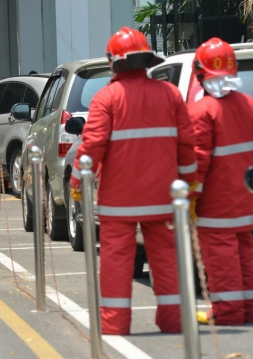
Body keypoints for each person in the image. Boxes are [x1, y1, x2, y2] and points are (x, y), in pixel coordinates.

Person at [70, 27, 198, 335]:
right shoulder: (169, 95)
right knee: (167, 259)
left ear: (113, 62)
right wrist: (191, 186)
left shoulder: (106, 99)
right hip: (163, 197)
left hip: (119, 200)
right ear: (146, 59)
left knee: (116, 262)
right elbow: (187, 145)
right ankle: (173, 320)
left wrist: (77, 183)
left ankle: (115, 325)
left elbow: (92, 148)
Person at [187, 38, 253, 325]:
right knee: (244, 252)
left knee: (221, 257)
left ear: (199, 71)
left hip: (215, 202)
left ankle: (228, 312)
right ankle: (247, 309)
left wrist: (191, 197)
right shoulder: (250, 104)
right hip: (245, 196)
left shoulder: (202, 111)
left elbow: (198, 160)